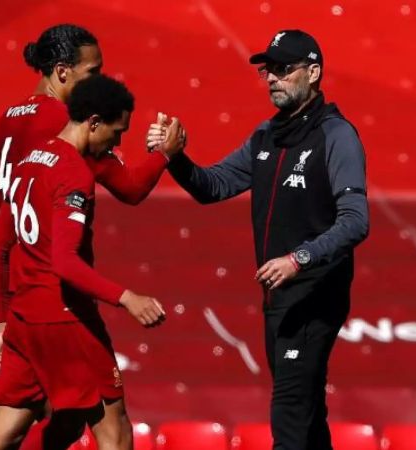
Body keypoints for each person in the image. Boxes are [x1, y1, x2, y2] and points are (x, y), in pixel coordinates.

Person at [0, 24, 177, 449]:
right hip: (61, 304)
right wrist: (164, 153)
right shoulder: (66, 134)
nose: (100, 81)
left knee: (20, 427)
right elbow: (129, 188)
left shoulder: (9, 123)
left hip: (16, 303)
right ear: (62, 72)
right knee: (112, 431)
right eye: (93, 71)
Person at [149, 30, 369, 449]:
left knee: (288, 418)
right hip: (278, 301)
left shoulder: (336, 136)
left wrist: (298, 259)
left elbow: (356, 221)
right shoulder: (266, 137)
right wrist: (174, 157)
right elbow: (211, 187)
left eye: (284, 70)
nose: (272, 78)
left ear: (314, 73)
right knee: (305, 417)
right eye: (268, 70)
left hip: (314, 296)